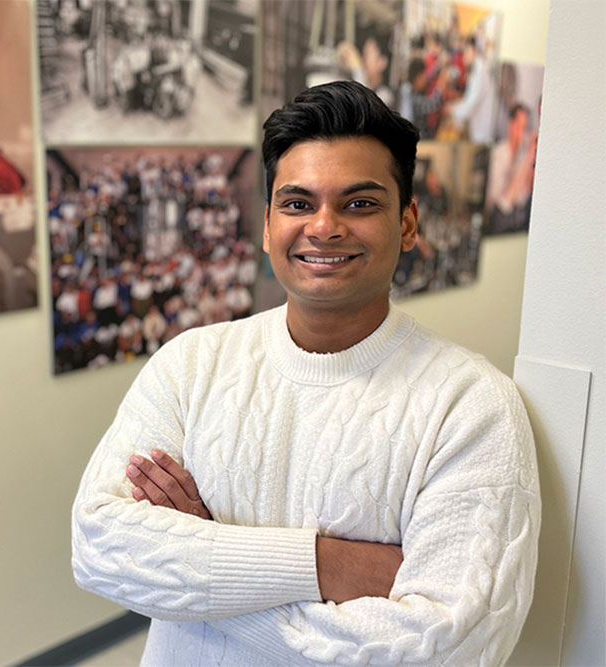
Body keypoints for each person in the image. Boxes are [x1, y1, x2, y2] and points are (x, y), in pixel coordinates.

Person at [71, 81, 539, 665]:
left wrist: (205, 561)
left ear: (408, 223)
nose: (324, 227)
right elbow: (99, 547)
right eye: (297, 203)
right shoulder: (191, 365)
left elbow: (447, 647)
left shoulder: (472, 406)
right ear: (267, 225)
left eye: (360, 203)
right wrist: (332, 565)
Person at [486, 103, 537, 233]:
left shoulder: (522, 157)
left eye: (524, 128)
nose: (521, 132)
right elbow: (500, 200)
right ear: (510, 124)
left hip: (515, 221)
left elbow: (522, 196)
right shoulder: (497, 154)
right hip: (496, 220)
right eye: (519, 126)